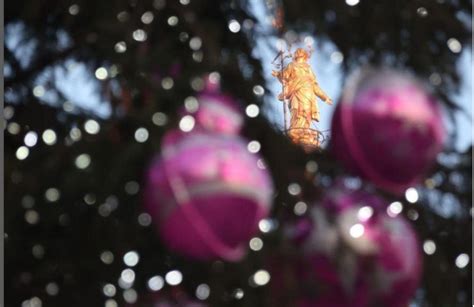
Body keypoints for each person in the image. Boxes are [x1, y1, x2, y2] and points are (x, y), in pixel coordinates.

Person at [272, 48, 332, 147]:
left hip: (309, 94)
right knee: (297, 111)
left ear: (305, 56)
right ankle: (296, 130)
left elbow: (315, 86)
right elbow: (285, 77)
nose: (299, 53)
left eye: (301, 52)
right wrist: (278, 74)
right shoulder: (292, 65)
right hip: (296, 92)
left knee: (307, 113)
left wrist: (325, 98)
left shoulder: (309, 69)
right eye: (297, 52)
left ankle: (304, 131)